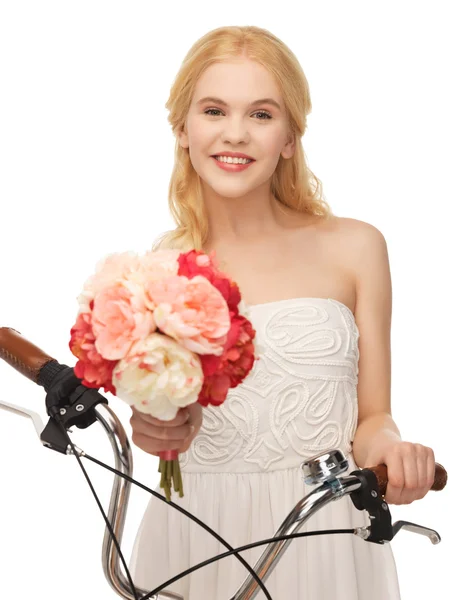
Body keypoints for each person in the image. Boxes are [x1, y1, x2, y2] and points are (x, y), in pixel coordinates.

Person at [128, 25, 436, 599]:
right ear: (183, 129)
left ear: (290, 137)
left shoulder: (357, 247)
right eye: (215, 110)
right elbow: (165, 425)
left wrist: (392, 448)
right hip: (196, 533)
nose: (236, 134)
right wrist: (158, 429)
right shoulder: (159, 270)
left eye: (262, 115)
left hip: (319, 533)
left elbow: (372, 419)